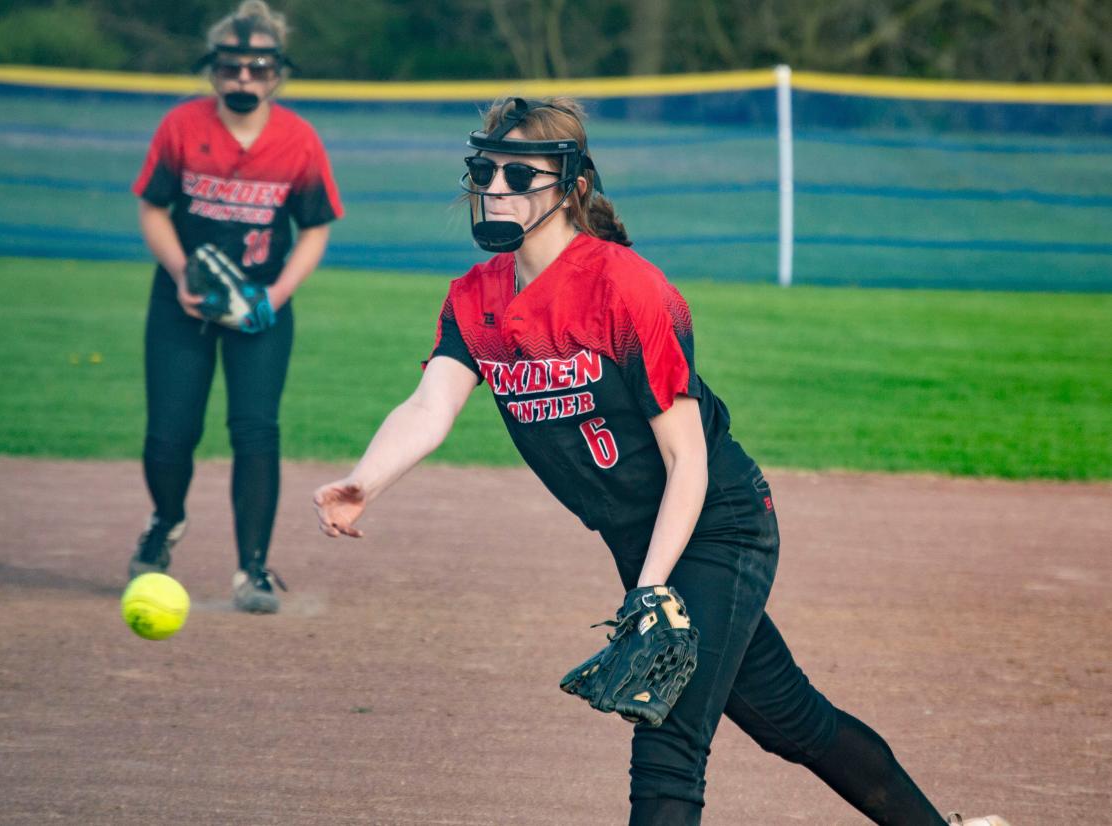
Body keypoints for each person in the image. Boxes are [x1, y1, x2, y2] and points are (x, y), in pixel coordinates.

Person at [312, 97, 1011, 825]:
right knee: (791, 721)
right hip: (643, 542)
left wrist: (650, 594)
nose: (496, 189)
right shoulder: (475, 299)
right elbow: (429, 407)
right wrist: (366, 480)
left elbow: (688, 461)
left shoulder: (624, 288)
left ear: (572, 185)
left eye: (521, 174)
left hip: (717, 523)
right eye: (484, 171)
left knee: (666, 731)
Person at [129, 0, 342, 613]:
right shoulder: (181, 126)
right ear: (213, 71)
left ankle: (251, 570)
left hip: (258, 309)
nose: (243, 79)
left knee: (255, 430)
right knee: (170, 435)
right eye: (231, 68)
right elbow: (154, 208)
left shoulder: (297, 140)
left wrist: (274, 297)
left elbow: (316, 227)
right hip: (183, 304)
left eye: (256, 68)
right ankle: (166, 519)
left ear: (276, 73)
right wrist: (180, 274)